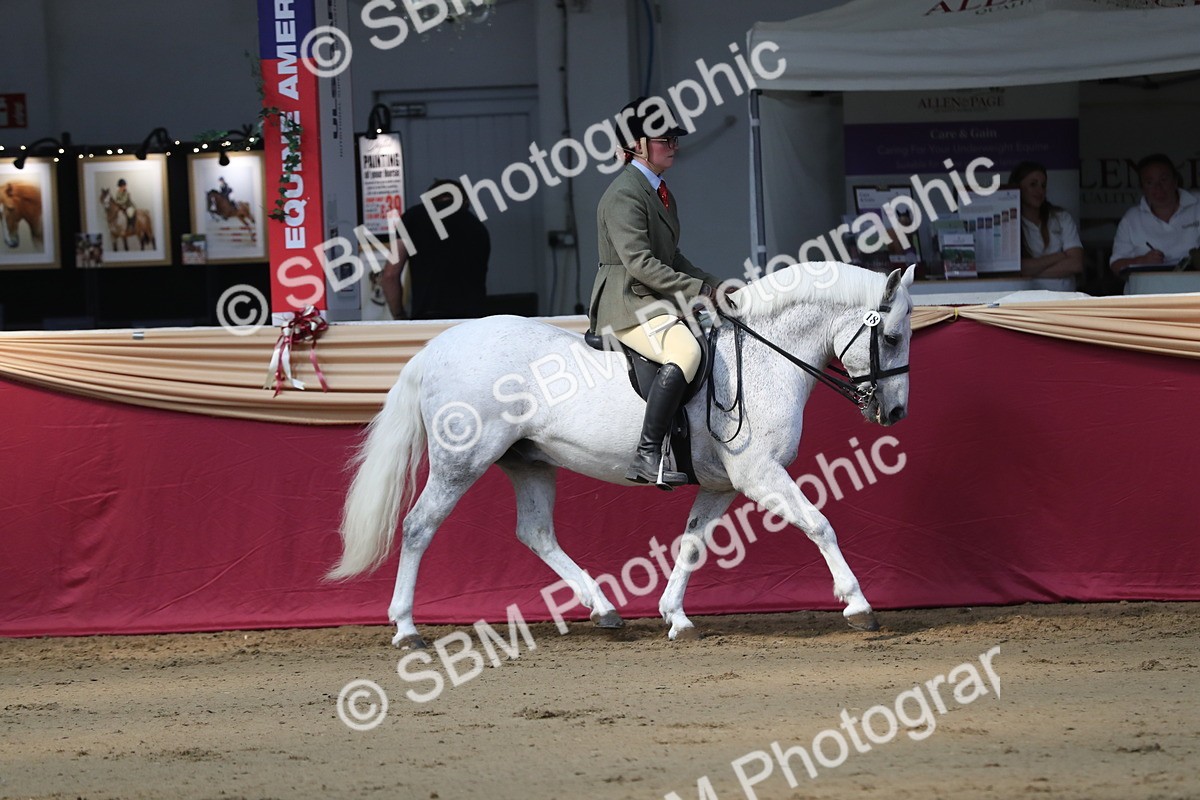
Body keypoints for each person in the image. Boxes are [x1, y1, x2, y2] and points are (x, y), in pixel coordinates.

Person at [588, 97, 726, 489]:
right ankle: (648, 454)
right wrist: (697, 289)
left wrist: (714, 284)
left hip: (651, 297)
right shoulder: (624, 194)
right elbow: (640, 264)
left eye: (674, 138)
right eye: (664, 138)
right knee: (686, 351)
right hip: (626, 301)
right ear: (638, 144)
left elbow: (672, 256)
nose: (673, 145)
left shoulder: (659, 190)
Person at [381, 178, 489, 320]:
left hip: (428, 317)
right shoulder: (477, 227)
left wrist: (399, 315)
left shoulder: (414, 217)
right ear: (465, 202)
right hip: (471, 320)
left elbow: (390, 275)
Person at [1110, 153, 1200, 274]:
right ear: (1142, 187)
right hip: (1150, 289)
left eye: (1163, 180)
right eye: (1149, 182)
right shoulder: (1132, 218)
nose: (1158, 188)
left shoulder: (1197, 205)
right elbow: (1116, 265)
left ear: (1175, 181)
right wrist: (1143, 260)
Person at [1007, 161, 1084, 279]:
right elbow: (1016, 268)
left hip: (1065, 296)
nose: (1040, 191)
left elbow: (1076, 264)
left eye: (1043, 185)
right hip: (1029, 296)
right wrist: (1060, 256)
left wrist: (1031, 272)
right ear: (1018, 187)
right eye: (1033, 184)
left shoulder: (1061, 217)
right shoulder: (1009, 221)